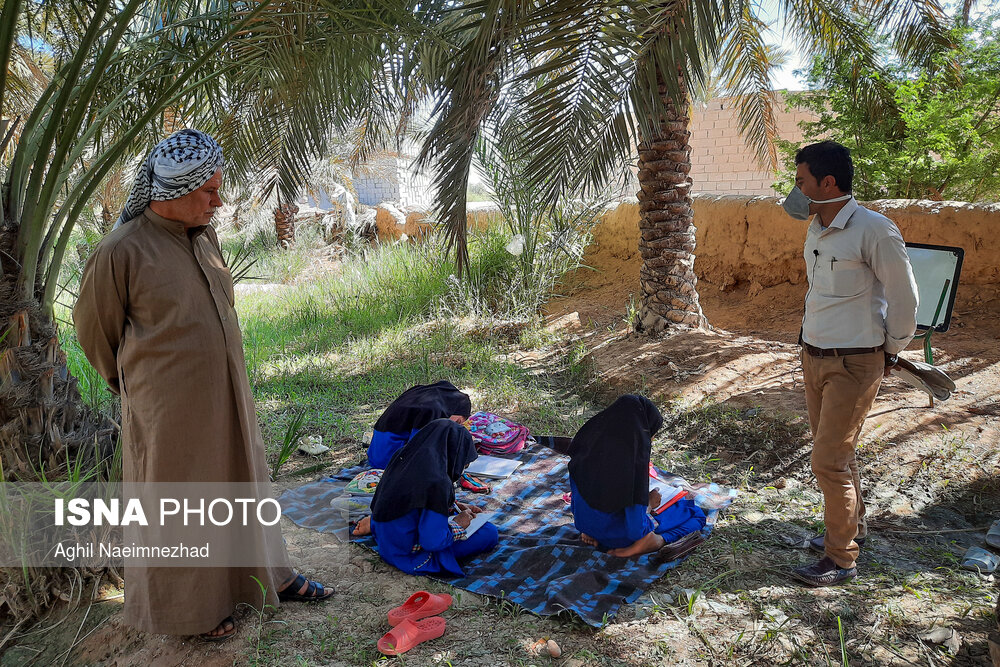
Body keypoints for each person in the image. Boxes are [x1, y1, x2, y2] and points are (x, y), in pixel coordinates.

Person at [73, 129, 332, 642]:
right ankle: (190, 613)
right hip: (168, 411)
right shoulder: (121, 251)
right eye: (209, 192)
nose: (219, 200)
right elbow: (94, 334)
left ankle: (268, 577)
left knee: (243, 483)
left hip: (228, 396)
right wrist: (144, 390)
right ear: (170, 193)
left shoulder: (203, 235)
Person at [782, 140, 918, 587]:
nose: (796, 189)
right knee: (839, 454)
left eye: (801, 181)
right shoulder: (817, 228)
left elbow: (904, 297)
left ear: (828, 182)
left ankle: (841, 559)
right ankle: (848, 529)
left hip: (856, 362)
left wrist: (892, 350)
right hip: (814, 355)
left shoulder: (874, 230)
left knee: (828, 461)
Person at [568, 395, 706, 558]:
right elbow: (635, 529)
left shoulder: (584, 452)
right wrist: (648, 504)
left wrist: (588, 526)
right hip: (621, 537)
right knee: (696, 514)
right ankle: (654, 542)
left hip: (586, 527)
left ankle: (596, 531)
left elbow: (578, 501)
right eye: (650, 434)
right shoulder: (631, 467)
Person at [369, 419, 499, 575]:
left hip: (385, 540)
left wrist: (452, 505)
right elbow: (433, 541)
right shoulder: (437, 482)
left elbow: (413, 498)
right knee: (489, 532)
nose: (462, 470)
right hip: (406, 553)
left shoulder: (404, 455)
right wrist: (458, 524)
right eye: (463, 465)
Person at [367, 380, 472, 469]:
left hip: (374, 455)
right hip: (389, 463)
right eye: (457, 421)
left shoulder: (420, 393)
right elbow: (420, 449)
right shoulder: (433, 410)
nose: (455, 425)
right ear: (453, 410)